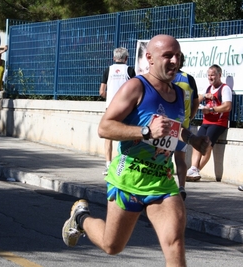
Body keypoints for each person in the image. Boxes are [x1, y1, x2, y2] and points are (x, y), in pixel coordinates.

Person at [62, 34, 210, 266]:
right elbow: (105, 127)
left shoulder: (180, 93)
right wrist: (145, 131)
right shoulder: (136, 86)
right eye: (168, 56)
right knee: (112, 246)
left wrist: (192, 139)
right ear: (149, 58)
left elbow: (174, 127)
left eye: (178, 56)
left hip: (162, 181)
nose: (174, 61)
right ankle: (80, 219)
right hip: (128, 179)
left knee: (175, 243)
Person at [186, 64, 233, 181]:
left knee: (207, 145)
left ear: (219, 75)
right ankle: (193, 168)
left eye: (213, 75)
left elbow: (227, 107)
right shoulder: (208, 88)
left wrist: (212, 109)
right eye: (209, 75)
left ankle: (196, 170)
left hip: (218, 122)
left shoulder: (225, 88)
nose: (210, 77)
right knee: (196, 142)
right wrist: (204, 96)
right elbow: (197, 99)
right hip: (206, 121)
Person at [99, 47, 136, 175]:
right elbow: (135, 89)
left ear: (114, 58)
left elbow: (101, 91)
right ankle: (123, 165)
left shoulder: (108, 70)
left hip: (110, 107)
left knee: (108, 136)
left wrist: (109, 98)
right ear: (126, 58)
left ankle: (108, 165)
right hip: (126, 108)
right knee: (126, 135)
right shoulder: (130, 70)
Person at [172, 53, 199, 198]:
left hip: (167, 124)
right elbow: (196, 101)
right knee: (180, 158)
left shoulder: (166, 77)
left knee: (162, 157)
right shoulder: (189, 79)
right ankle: (181, 186)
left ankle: (165, 186)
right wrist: (190, 116)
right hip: (184, 124)